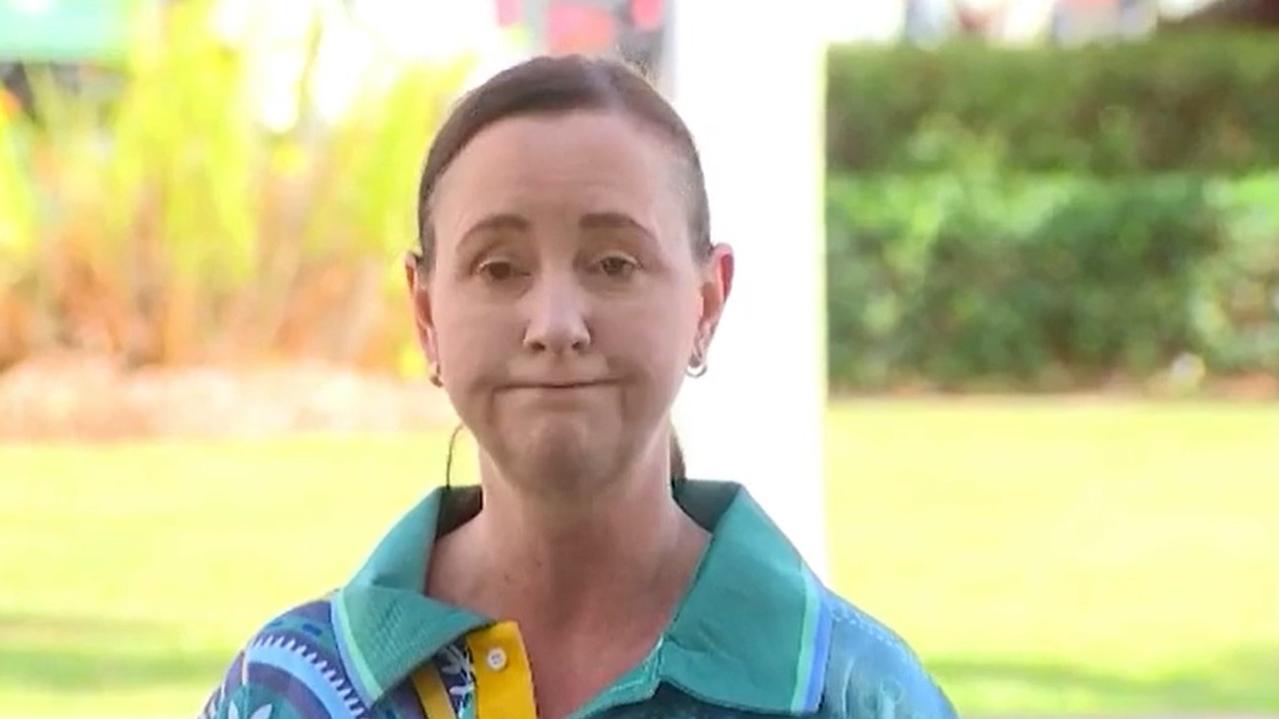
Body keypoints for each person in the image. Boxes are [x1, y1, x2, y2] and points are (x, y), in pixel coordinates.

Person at [199, 55, 956, 719]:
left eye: (613, 264)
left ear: (706, 301)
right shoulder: (293, 691)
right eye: (499, 267)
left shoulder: (848, 694)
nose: (555, 323)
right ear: (426, 313)